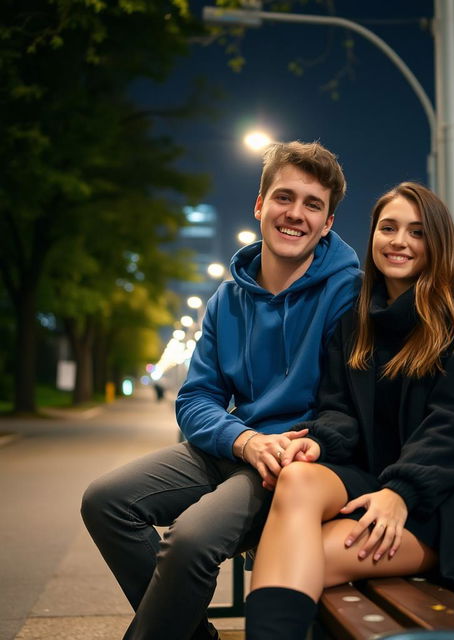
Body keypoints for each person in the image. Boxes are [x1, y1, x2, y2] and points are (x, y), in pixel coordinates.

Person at [80, 141, 360, 640]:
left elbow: (349, 404)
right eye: (283, 197)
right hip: (239, 446)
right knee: (105, 501)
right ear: (259, 205)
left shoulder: (348, 293)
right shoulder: (227, 298)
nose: (295, 214)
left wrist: (283, 446)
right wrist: (242, 439)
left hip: (294, 465)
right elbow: (195, 398)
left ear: (328, 223)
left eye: (312, 204)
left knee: (189, 539)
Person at [244, 182, 454, 640]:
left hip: (450, 499)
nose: (399, 241)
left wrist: (401, 493)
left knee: (306, 554)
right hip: (378, 478)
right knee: (297, 478)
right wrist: (315, 442)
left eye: (416, 232)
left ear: (438, 241)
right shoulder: (357, 318)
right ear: (371, 236)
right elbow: (339, 410)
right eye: (388, 228)